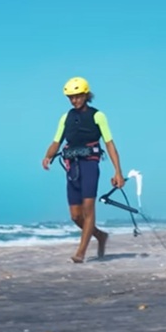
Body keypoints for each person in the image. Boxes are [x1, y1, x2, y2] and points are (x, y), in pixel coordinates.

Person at [41, 76, 125, 263]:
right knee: (75, 215)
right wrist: (47, 156)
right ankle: (100, 236)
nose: (74, 100)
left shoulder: (98, 116)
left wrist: (117, 171)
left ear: (86, 95)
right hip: (72, 168)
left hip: (89, 165)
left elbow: (110, 144)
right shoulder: (66, 117)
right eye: (71, 97)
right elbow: (57, 141)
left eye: (78, 96)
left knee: (88, 209)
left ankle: (81, 252)